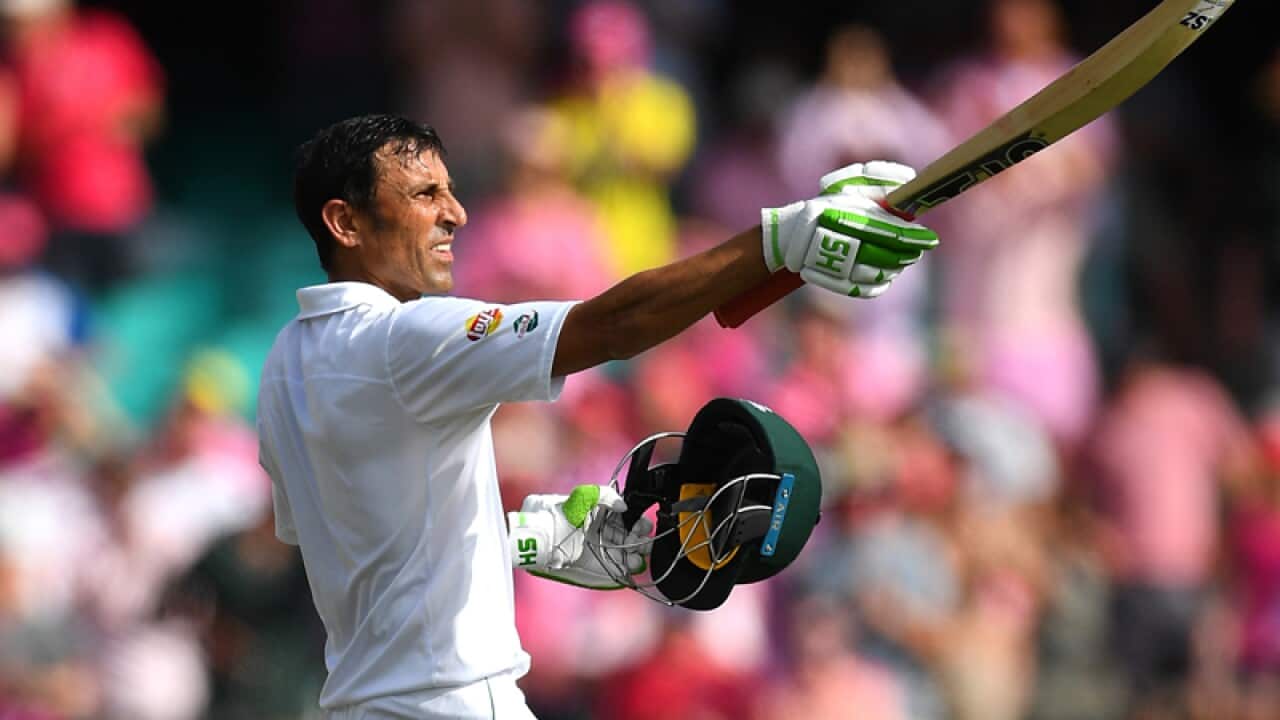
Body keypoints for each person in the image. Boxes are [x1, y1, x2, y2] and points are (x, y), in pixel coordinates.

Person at [255, 113, 939, 719]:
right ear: (344, 222)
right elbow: (612, 325)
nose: (456, 213)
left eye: (451, 190)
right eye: (425, 195)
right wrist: (778, 243)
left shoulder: (286, 362)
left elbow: (348, 539)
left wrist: (522, 538)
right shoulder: (406, 339)